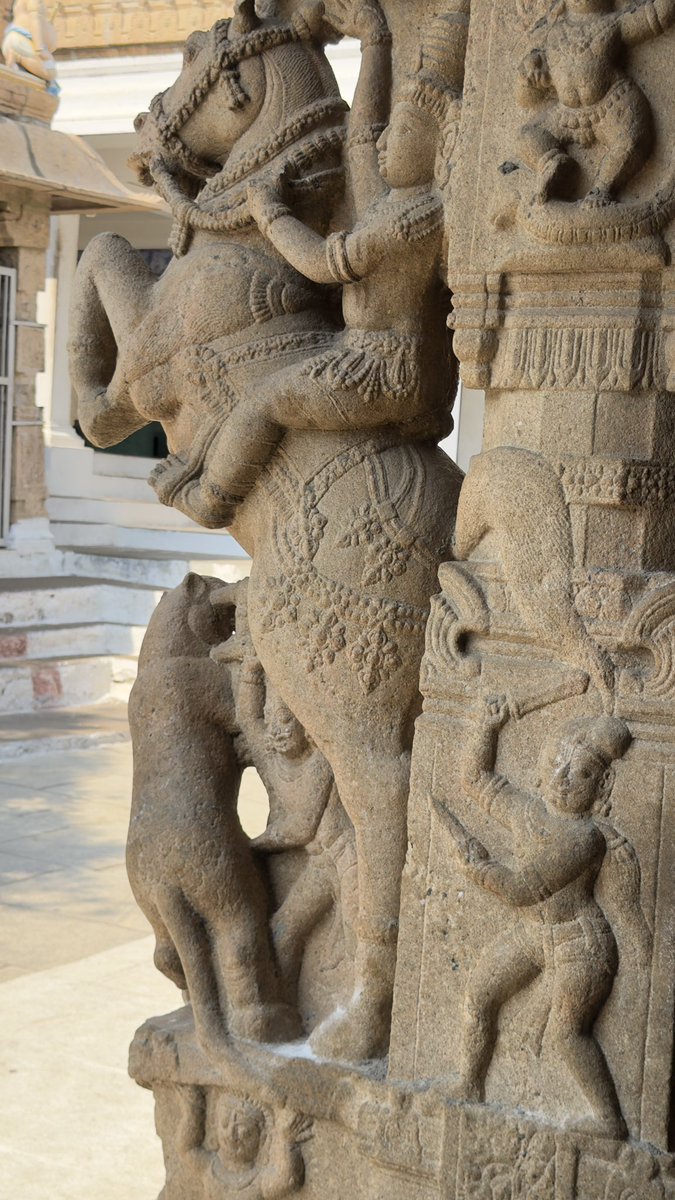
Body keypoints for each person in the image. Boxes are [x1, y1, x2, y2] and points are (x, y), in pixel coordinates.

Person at [150, 1, 462, 527]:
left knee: (267, 401)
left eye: (406, 134)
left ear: (441, 148)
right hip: (380, 356)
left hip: (385, 368)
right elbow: (362, 135)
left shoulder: (414, 219)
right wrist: (374, 45)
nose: (389, 143)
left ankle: (211, 500)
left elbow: (324, 264)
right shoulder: (391, 196)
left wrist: (269, 214)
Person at [433, 695, 651, 1137]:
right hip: (534, 934)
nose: (564, 779)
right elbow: (476, 779)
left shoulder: (585, 838)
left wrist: (478, 870)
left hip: (580, 945)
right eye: (557, 763)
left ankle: (610, 1121)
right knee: (480, 994)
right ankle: (470, 1083)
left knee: (566, 1034)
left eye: (583, 773)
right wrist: (486, 728)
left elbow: (525, 888)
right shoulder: (527, 810)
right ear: (540, 765)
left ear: (602, 789)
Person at [518, 0, 675, 207]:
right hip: (566, 114)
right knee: (528, 135)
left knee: (631, 142)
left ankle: (602, 189)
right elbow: (525, 98)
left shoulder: (615, 23)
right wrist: (529, 75)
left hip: (612, 104)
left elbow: (658, 16)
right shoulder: (552, 31)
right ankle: (552, 162)